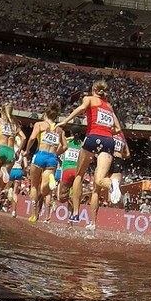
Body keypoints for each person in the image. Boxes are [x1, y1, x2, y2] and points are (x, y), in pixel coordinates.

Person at [57, 80, 124, 224]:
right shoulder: (109, 106)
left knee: (79, 174)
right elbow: (118, 129)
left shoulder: (89, 99)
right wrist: (106, 130)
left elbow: (81, 109)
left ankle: (75, 213)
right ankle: (112, 184)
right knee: (99, 180)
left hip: (93, 137)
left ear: (93, 89)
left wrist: (66, 121)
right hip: (108, 141)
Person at [24, 103, 66, 223]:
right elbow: (65, 146)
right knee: (44, 190)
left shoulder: (39, 124)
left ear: (45, 114)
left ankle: (33, 214)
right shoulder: (60, 130)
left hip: (40, 156)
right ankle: (50, 181)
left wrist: (27, 151)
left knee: (33, 186)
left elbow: (32, 138)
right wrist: (56, 153)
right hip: (52, 158)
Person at [57, 127, 85, 212]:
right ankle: (71, 220)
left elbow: (57, 151)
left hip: (67, 170)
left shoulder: (67, 141)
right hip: (77, 172)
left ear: (71, 132)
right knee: (75, 196)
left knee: (61, 198)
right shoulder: (83, 144)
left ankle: (69, 197)